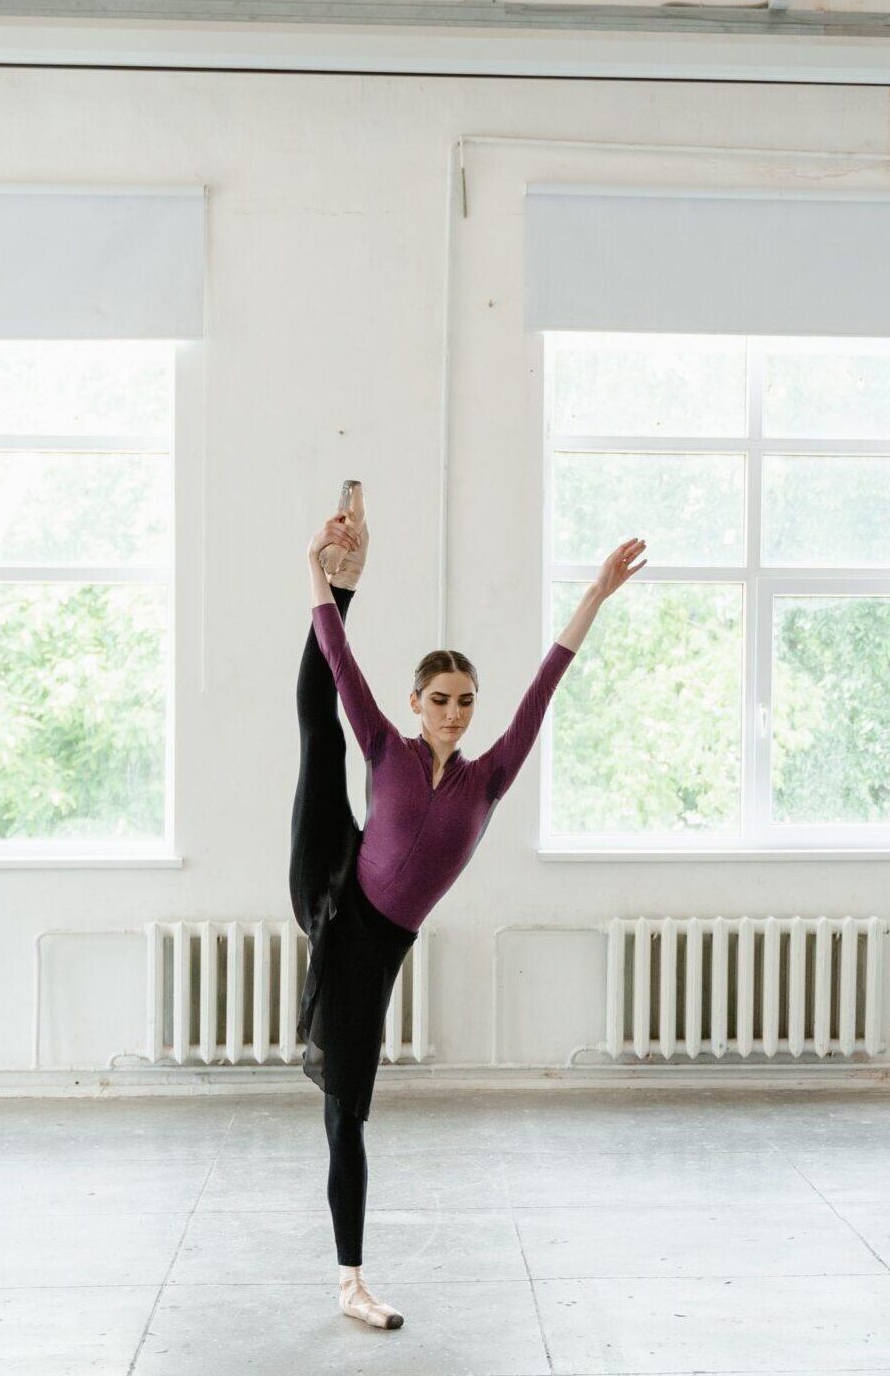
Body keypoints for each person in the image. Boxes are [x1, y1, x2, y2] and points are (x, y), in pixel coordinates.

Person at [291, 480, 645, 1330]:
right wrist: (323, 574)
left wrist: (593, 593)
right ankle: (350, 1280)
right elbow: (339, 664)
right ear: (416, 703)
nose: (452, 712)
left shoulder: (489, 777)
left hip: (383, 943)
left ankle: (348, 1274)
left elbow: (545, 683)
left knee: (353, 1101)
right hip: (336, 895)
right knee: (316, 721)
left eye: (463, 701)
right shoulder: (386, 744)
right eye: (439, 699)